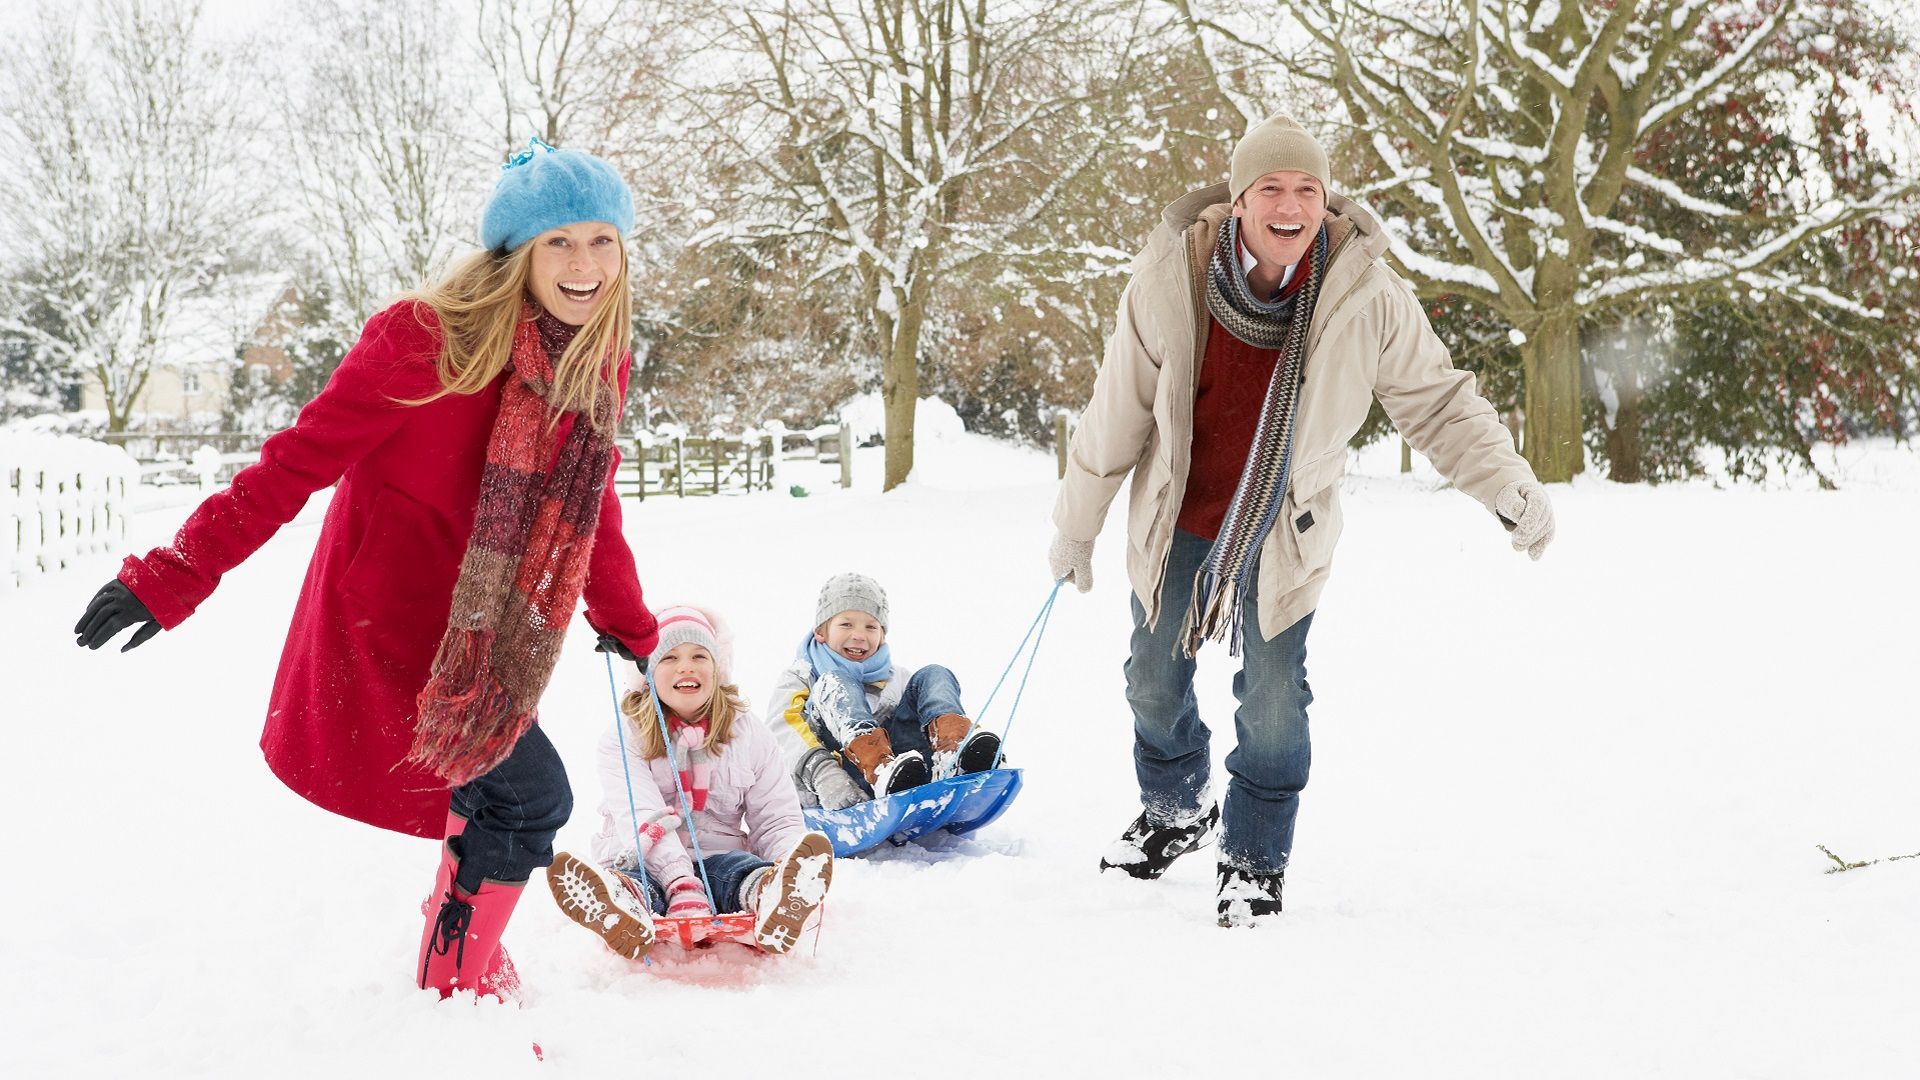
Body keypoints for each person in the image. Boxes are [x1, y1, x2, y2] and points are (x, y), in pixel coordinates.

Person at [71, 138, 659, 997]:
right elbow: (294, 463)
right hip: (390, 619)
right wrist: (170, 575)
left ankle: (454, 936)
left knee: (505, 797)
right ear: (516, 252)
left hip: (482, 629)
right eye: (558, 242)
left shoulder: (590, 361)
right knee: (532, 797)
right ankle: (454, 972)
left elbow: (588, 508)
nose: (583, 264)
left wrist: (630, 622)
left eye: (601, 239)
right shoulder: (423, 341)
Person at [1046, 113, 1555, 927]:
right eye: (1272, 189)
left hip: (1287, 533)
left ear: (1325, 200)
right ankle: (1177, 809)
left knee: (1275, 700)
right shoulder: (1170, 281)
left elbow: (1438, 401)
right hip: (1177, 520)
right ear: (1241, 198)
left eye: (1307, 190)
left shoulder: (1363, 294)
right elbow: (1116, 413)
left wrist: (1507, 484)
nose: (1291, 206)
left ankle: (1253, 858)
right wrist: (1077, 525)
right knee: (1150, 681)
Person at [548, 606, 834, 958]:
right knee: (639, 881)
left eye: (700, 655)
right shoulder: (625, 737)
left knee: (738, 872)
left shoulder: (747, 733)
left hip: (716, 858)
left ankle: (776, 893)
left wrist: (787, 859)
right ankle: (620, 904)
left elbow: (776, 815)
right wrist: (679, 882)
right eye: (670, 657)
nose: (687, 666)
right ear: (648, 673)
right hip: (645, 856)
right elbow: (642, 815)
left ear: (717, 669)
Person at [763, 573, 1002, 810]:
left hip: (904, 773)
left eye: (871, 626)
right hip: (841, 778)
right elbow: (782, 734)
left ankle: (956, 754)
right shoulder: (802, 676)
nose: (859, 635)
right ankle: (879, 769)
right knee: (835, 682)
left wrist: (982, 752)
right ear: (821, 632)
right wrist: (824, 774)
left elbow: (928, 709)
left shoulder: (897, 678)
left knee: (934, 674)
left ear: (882, 635)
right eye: (846, 624)